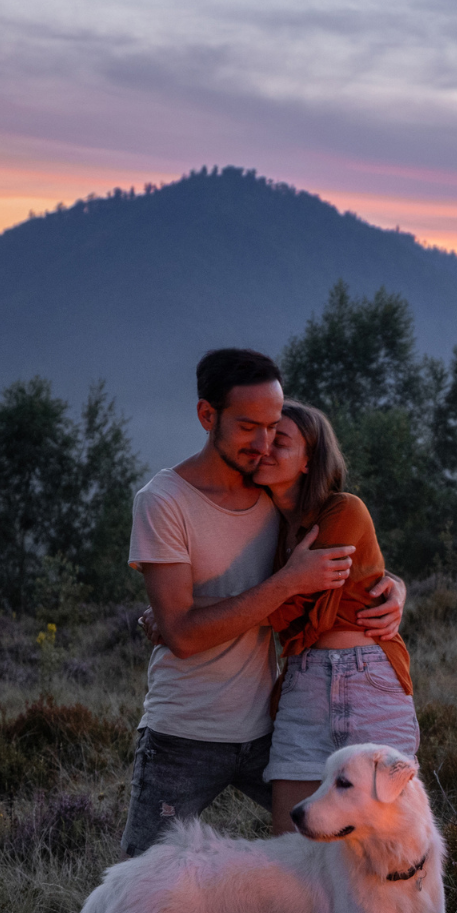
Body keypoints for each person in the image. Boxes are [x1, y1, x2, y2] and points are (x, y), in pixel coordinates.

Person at [121, 349, 404, 857]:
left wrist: (390, 586)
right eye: (249, 427)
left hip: (270, 726)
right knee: (144, 871)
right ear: (208, 416)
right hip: (186, 732)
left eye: (274, 427)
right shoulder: (163, 501)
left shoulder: (273, 500)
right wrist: (290, 582)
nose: (265, 443)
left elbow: (335, 563)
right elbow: (185, 634)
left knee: (331, 853)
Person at [250, 402, 421, 833]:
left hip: (369, 680)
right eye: (262, 438)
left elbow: (309, 614)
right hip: (304, 685)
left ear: (309, 461)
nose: (264, 448)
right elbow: (291, 608)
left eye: (280, 441)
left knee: (388, 841)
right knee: (292, 844)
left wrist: (252, 601)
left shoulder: (344, 509)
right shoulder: (266, 525)